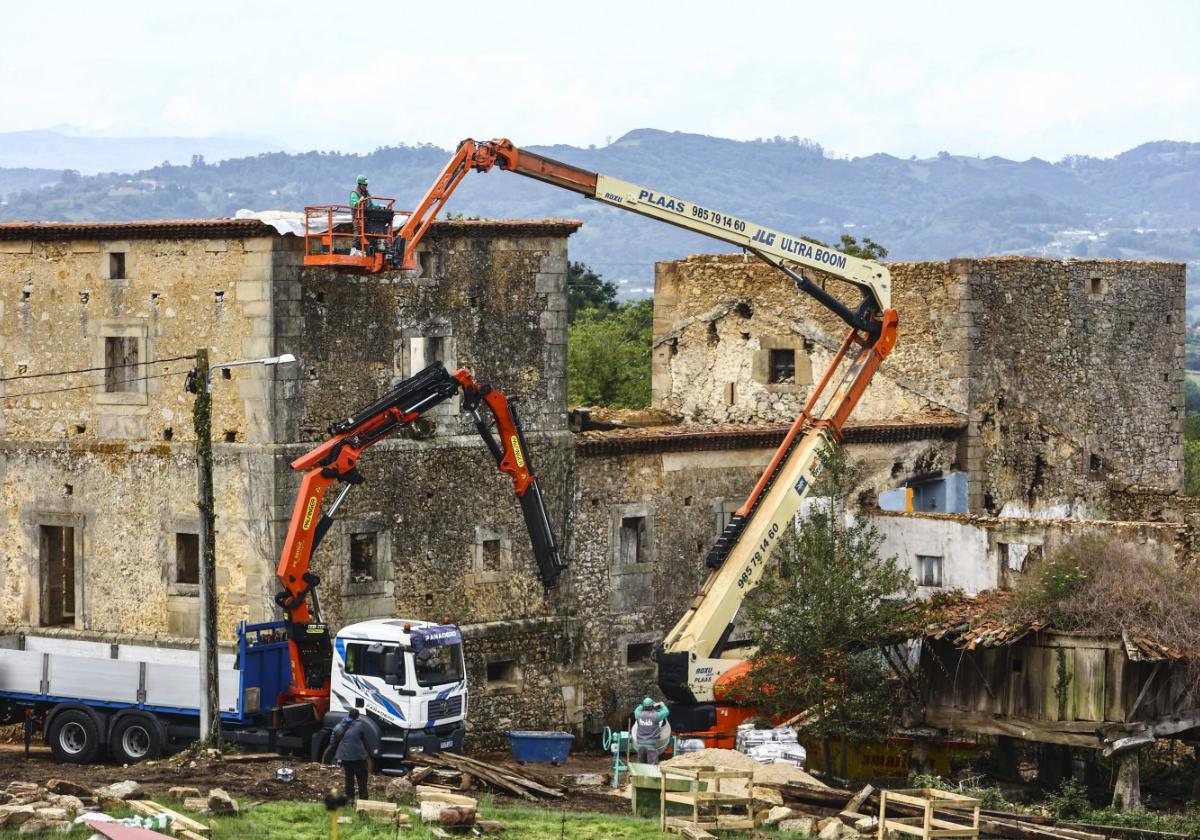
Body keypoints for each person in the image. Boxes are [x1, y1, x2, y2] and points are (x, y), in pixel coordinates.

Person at [330, 701, 371, 803]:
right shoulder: (360, 725)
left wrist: (339, 751)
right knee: (362, 779)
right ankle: (363, 800)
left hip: (345, 758)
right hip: (358, 757)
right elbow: (364, 740)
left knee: (349, 780)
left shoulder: (339, 726)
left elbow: (333, 741)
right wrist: (367, 753)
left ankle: (350, 801)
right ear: (357, 717)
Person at [633, 696, 669, 765]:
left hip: (640, 745)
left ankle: (641, 775)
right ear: (652, 706)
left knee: (641, 765)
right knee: (652, 766)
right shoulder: (656, 716)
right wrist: (662, 705)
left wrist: (642, 705)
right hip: (651, 746)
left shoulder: (638, 715)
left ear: (644, 706)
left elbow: (636, 710)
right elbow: (666, 712)